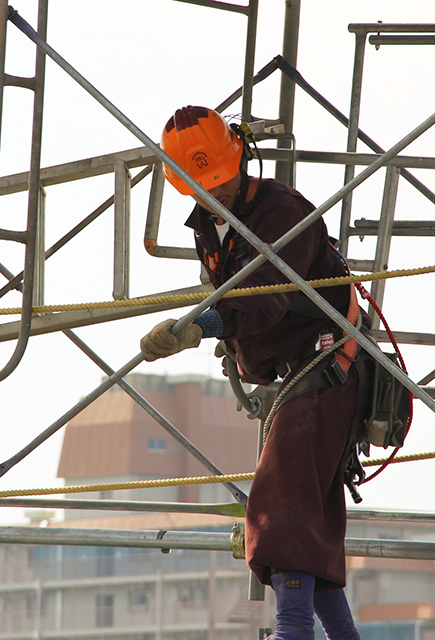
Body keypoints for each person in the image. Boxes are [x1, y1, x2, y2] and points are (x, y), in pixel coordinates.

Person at [140, 106, 363, 640]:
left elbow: (267, 295)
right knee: (309, 525)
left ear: (239, 160)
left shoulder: (281, 212)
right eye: (202, 188)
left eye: (220, 183)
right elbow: (232, 295)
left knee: (280, 514)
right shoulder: (207, 224)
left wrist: (201, 326)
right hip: (296, 376)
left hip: (326, 364)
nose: (213, 195)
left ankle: (291, 632)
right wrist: (206, 324)